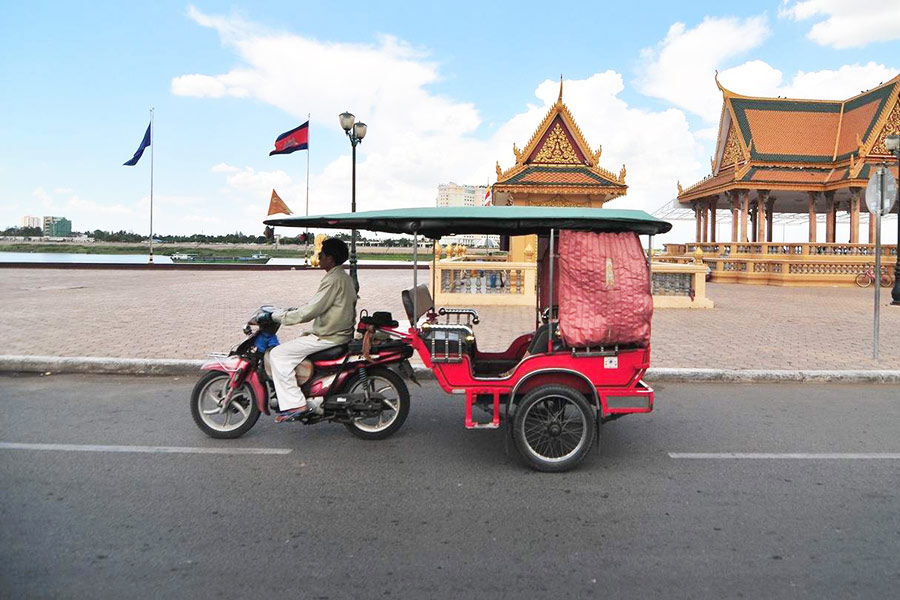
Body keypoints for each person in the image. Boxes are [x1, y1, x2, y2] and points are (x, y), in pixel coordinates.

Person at [267, 238, 357, 422]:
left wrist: (277, 317)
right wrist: (291, 311)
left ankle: (295, 403)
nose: (318, 258)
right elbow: (318, 305)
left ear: (330, 258)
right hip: (337, 333)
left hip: (329, 336)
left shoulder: (333, 279)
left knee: (278, 354)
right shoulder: (343, 277)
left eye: (321, 255)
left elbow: (310, 312)